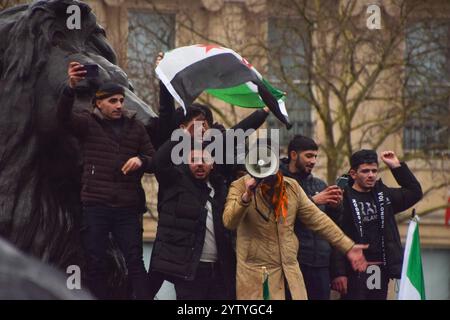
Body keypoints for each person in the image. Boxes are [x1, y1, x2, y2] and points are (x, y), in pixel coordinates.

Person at [57, 62, 155, 299]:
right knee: (95, 260)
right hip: (96, 205)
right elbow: (62, 118)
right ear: (98, 103)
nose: (119, 105)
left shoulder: (136, 128)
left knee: (135, 260)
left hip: (127, 207)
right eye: (113, 101)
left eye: (121, 100)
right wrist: (70, 88)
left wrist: (141, 160)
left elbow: (153, 158)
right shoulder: (88, 123)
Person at [223, 163, 369, 300]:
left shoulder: (291, 187)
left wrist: (347, 246)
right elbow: (229, 222)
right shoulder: (240, 186)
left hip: (290, 273)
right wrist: (246, 196)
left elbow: (318, 219)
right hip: (258, 276)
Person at [149, 124, 236, 300]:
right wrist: (181, 134)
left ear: (213, 164)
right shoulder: (176, 182)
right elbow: (159, 162)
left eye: (204, 159)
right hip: (191, 271)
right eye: (194, 159)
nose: (199, 164)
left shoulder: (221, 189)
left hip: (219, 272)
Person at [330, 150, 423, 300]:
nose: (371, 175)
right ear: (353, 174)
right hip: (353, 270)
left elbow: (415, 192)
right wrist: (338, 273)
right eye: (365, 171)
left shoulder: (383, 194)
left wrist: (396, 166)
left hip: (378, 268)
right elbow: (334, 235)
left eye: (374, 171)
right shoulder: (342, 197)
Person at [280, 135, 343, 300]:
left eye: (315, 156)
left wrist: (336, 207)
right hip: (293, 265)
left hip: (321, 266)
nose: (313, 161)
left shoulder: (320, 185)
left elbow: (332, 228)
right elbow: (280, 217)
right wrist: (314, 201)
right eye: (309, 156)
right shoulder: (278, 182)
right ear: (293, 155)